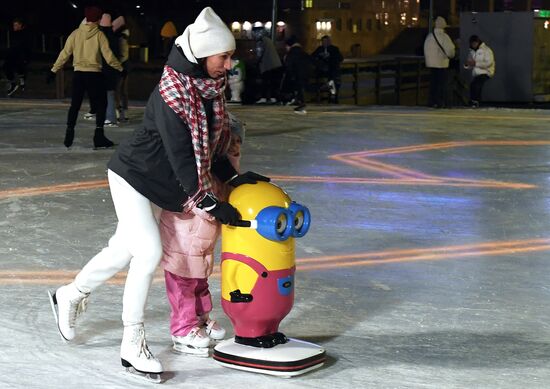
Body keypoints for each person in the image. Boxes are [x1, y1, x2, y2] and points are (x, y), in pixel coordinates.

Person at [47, 7, 268, 382]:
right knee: (148, 251)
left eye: (231, 57)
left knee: (123, 248)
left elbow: (211, 148)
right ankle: (131, 344)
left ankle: (70, 294)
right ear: (202, 54)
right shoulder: (173, 94)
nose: (229, 64)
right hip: (135, 176)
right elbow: (183, 156)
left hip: (163, 184)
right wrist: (207, 201)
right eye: (224, 56)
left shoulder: (208, 89)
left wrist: (234, 177)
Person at [159, 113, 245, 357]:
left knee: (200, 279)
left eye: (239, 143)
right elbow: (191, 196)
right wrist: (213, 210)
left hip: (202, 238)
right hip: (182, 232)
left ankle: (200, 319)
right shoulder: (194, 165)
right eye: (233, 143)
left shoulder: (222, 166)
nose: (237, 147)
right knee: (183, 282)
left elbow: (225, 189)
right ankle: (182, 328)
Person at [49, 6, 122, 149]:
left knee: (75, 105)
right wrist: (120, 68)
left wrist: (53, 70)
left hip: (78, 75)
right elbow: (108, 56)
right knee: (101, 105)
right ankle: (99, 136)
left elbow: (65, 53)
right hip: (94, 75)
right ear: (98, 19)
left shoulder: (75, 34)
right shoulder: (99, 35)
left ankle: (69, 132)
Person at [423, 16, 455, 108]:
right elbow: (450, 50)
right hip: (441, 63)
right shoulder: (444, 37)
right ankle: (440, 102)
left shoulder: (430, 36)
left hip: (431, 64)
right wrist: (451, 56)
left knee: (433, 84)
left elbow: (426, 49)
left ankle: (432, 101)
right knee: (442, 84)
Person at [252, 27, 282, 104]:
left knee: (265, 82)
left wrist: (255, 63)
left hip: (268, 65)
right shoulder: (267, 39)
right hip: (275, 64)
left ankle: (264, 97)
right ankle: (273, 98)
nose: (252, 36)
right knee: (272, 82)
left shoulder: (260, 41)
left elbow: (259, 54)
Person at [464, 35, 495, 108]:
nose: (473, 45)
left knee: (476, 85)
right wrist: (467, 65)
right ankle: (476, 101)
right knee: (475, 85)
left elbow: (489, 63)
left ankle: (475, 101)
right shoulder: (471, 51)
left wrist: (476, 63)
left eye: (475, 43)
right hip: (477, 73)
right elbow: (470, 64)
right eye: (472, 44)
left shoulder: (486, 50)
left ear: (478, 42)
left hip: (486, 72)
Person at [283, 35, 311, 114]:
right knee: (302, 88)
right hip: (304, 72)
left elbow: (288, 64)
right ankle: (300, 103)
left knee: (300, 88)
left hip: (297, 73)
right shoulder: (301, 51)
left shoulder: (292, 52)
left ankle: (300, 104)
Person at [311, 35, 343, 103]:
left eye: (326, 41)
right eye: (323, 42)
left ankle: (333, 96)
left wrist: (330, 56)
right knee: (332, 80)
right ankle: (331, 95)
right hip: (322, 72)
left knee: (333, 80)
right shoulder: (320, 49)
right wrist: (320, 57)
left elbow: (340, 58)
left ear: (329, 42)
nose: (325, 43)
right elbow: (312, 57)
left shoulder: (334, 49)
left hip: (332, 71)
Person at [3, 18, 31, 97]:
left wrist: (27, 58)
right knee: (9, 68)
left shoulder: (25, 34)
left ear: (20, 25)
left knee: (9, 67)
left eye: (16, 25)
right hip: (15, 55)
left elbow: (26, 47)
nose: (14, 27)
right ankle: (16, 83)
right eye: (13, 25)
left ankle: (15, 84)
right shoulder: (15, 33)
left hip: (19, 56)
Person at [113, 16, 130, 123]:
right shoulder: (125, 35)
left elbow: (122, 54)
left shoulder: (120, 38)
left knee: (118, 90)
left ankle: (118, 113)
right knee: (124, 90)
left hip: (121, 65)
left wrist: (117, 65)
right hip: (126, 65)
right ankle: (125, 112)